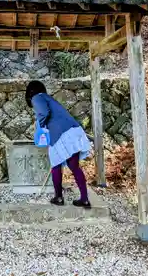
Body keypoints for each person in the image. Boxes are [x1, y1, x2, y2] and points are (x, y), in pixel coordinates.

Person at [25, 80, 92, 208]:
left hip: (62, 134)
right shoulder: (48, 98)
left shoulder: (36, 97)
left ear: (30, 92)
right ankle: (84, 199)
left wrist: (42, 125)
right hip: (74, 130)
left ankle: (59, 197)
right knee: (74, 166)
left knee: (56, 164)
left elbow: (44, 113)